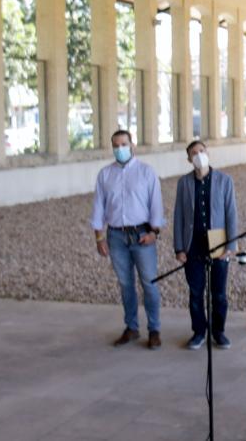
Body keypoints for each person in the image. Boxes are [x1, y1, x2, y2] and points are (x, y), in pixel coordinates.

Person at [91, 130, 166, 350]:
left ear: (132, 145)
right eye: (115, 145)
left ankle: (154, 329)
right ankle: (131, 327)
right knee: (126, 285)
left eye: (123, 144)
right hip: (116, 236)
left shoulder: (146, 172)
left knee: (149, 283)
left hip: (142, 235)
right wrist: (99, 237)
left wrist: (154, 232)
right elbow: (98, 206)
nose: (119, 148)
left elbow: (156, 204)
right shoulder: (105, 175)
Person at [173, 139, 238, 350]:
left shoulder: (224, 180)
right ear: (189, 159)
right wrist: (179, 248)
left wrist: (231, 246)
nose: (198, 155)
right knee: (195, 292)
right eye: (194, 153)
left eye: (201, 151)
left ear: (207, 153)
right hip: (193, 246)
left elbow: (231, 214)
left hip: (219, 242)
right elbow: (179, 217)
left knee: (218, 292)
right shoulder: (184, 183)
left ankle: (218, 331)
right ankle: (199, 332)